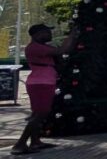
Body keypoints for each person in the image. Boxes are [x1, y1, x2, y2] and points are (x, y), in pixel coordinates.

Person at [11, 24, 76, 155]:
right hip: (40, 83)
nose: (49, 35)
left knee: (40, 113)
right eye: (46, 32)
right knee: (40, 114)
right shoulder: (35, 48)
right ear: (36, 34)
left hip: (45, 82)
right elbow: (62, 50)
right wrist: (72, 35)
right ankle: (20, 144)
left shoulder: (43, 47)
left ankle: (35, 141)